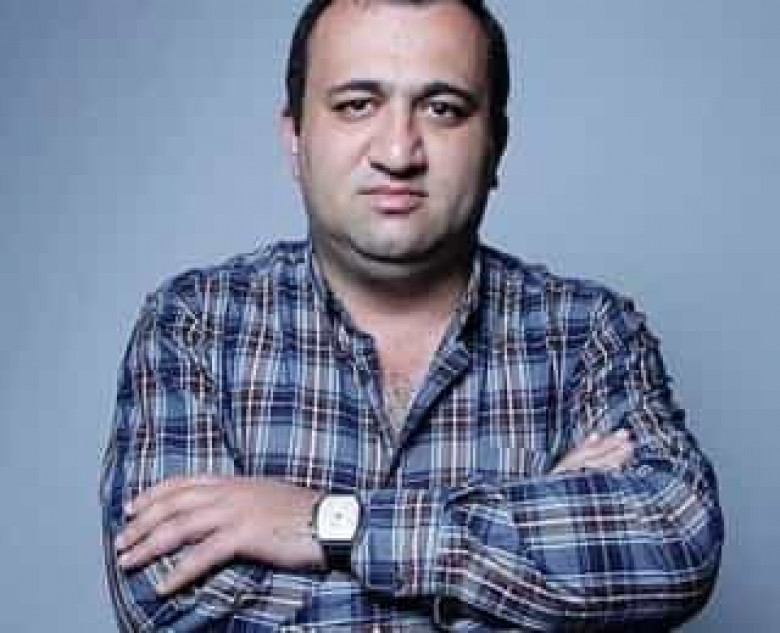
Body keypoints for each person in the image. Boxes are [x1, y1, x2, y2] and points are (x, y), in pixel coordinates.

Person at [100, 0, 723, 630]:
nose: (398, 152)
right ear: (295, 138)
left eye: (443, 109)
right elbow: (174, 610)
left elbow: (674, 541)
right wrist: (526, 569)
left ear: (496, 144)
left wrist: (329, 524)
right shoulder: (195, 326)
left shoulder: (587, 333)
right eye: (356, 105)